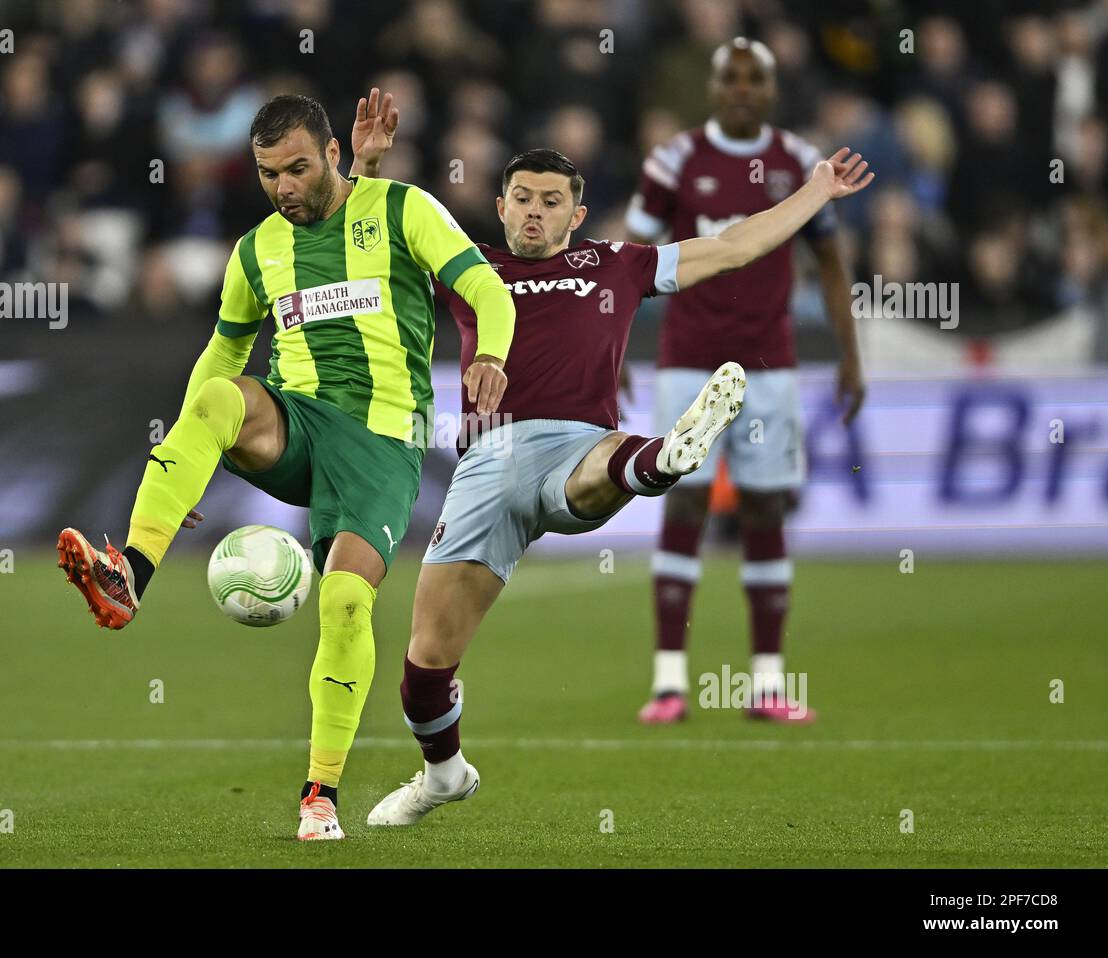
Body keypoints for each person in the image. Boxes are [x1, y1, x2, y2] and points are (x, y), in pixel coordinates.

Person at [350, 107, 873, 825]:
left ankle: (664, 456)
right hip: (487, 465)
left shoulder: (617, 264)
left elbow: (731, 247)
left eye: (551, 201)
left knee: (600, 469)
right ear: (500, 207)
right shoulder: (466, 267)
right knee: (424, 664)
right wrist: (368, 168)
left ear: (578, 213)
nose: (535, 213)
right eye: (523, 200)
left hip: (580, 444)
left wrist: (816, 191)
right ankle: (443, 775)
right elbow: (362, 244)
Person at [55, 91, 516, 840]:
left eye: (298, 168)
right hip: (297, 426)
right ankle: (131, 574)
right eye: (270, 174)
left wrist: (490, 354)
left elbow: (486, 290)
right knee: (215, 397)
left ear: (333, 154)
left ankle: (319, 795)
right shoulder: (256, 250)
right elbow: (225, 355)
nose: (285, 188)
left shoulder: (405, 211)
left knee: (343, 604)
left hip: (383, 445)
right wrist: (187, 455)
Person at [627, 38, 867, 725]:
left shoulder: (798, 163)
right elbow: (632, 259)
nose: (740, 89)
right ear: (712, 88)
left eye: (752, 79)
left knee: (765, 509)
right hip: (687, 359)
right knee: (685, 505)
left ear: (771, 89)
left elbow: (829, 260)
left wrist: (851, 356)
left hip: (770, 363)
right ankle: (670, 683)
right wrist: (608, 344)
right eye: (729, 78)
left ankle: (766, 685)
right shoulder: (675, 160)